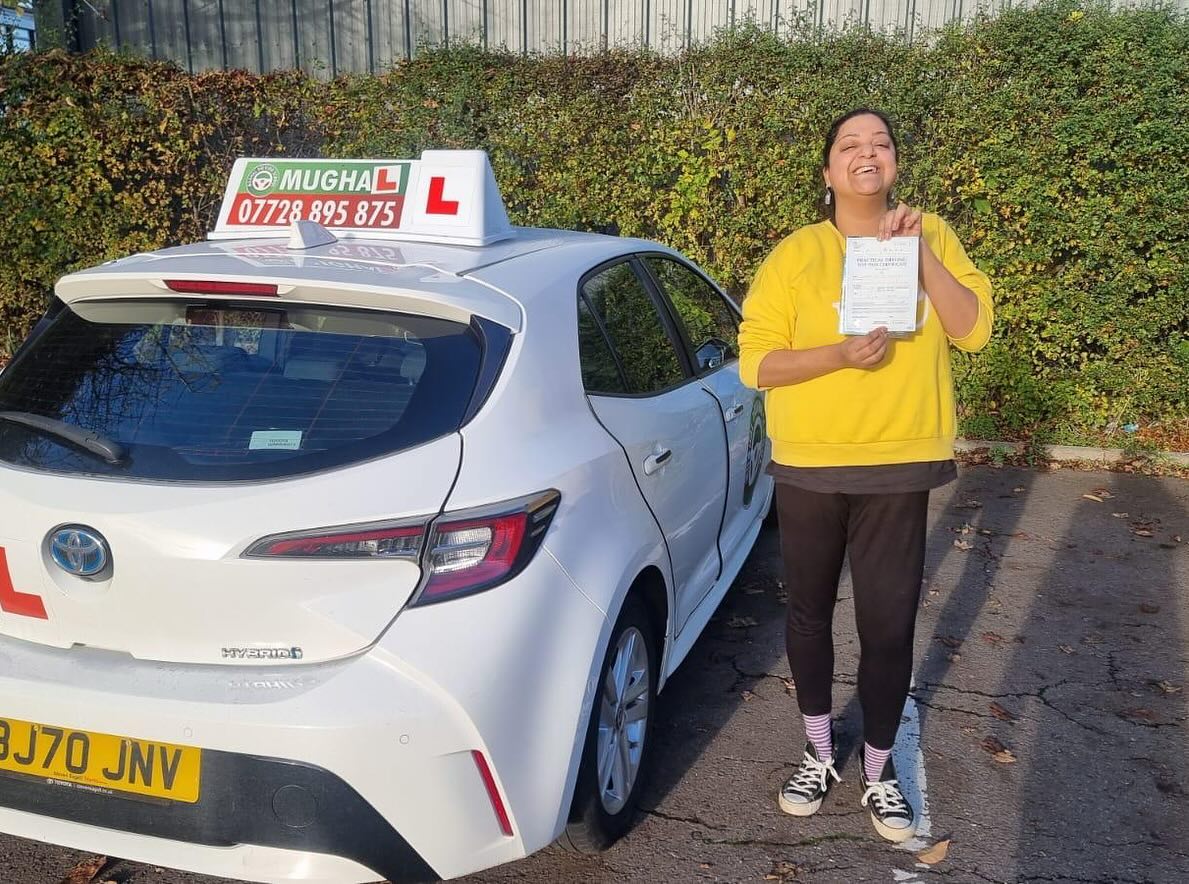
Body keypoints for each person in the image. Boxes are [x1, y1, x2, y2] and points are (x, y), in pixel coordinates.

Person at [737, 108, 994, 842]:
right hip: (810, 464)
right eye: (849, 144)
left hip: (896, 463)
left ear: (894, 164)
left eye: (880, 142)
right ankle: (820, 754)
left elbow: (973, 329)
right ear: (828, 171)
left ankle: (878, 770)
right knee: (808, 615)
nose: (866, 152)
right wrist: (839, 355)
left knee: (887, 624)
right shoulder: (795, 254)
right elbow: (756, 363)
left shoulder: (931, 234)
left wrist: (919, 256)